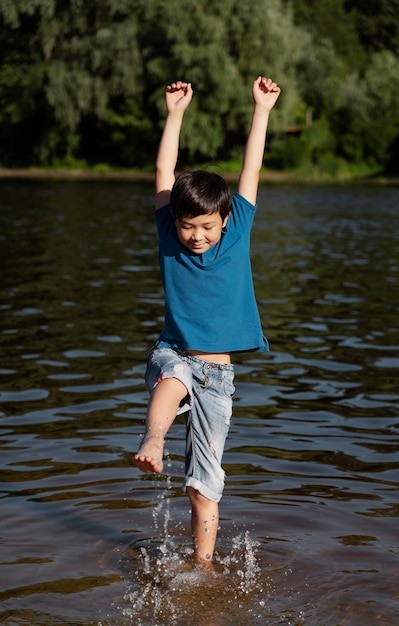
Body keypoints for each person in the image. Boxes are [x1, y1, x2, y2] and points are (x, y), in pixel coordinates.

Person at [134, 76, 281, 567]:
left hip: (217, 375)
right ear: (174, 220)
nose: (196, 236)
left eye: (206, 227)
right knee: (172, 379)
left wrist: (260, 110)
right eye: (187, 225)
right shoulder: (167, 231)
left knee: (204, 482)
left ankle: (203, 566)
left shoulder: (237, 229)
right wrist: (174, 115)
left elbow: (251, 167)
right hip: (175, 350)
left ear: (224, 220)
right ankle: (153, 439)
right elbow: (162, 169)